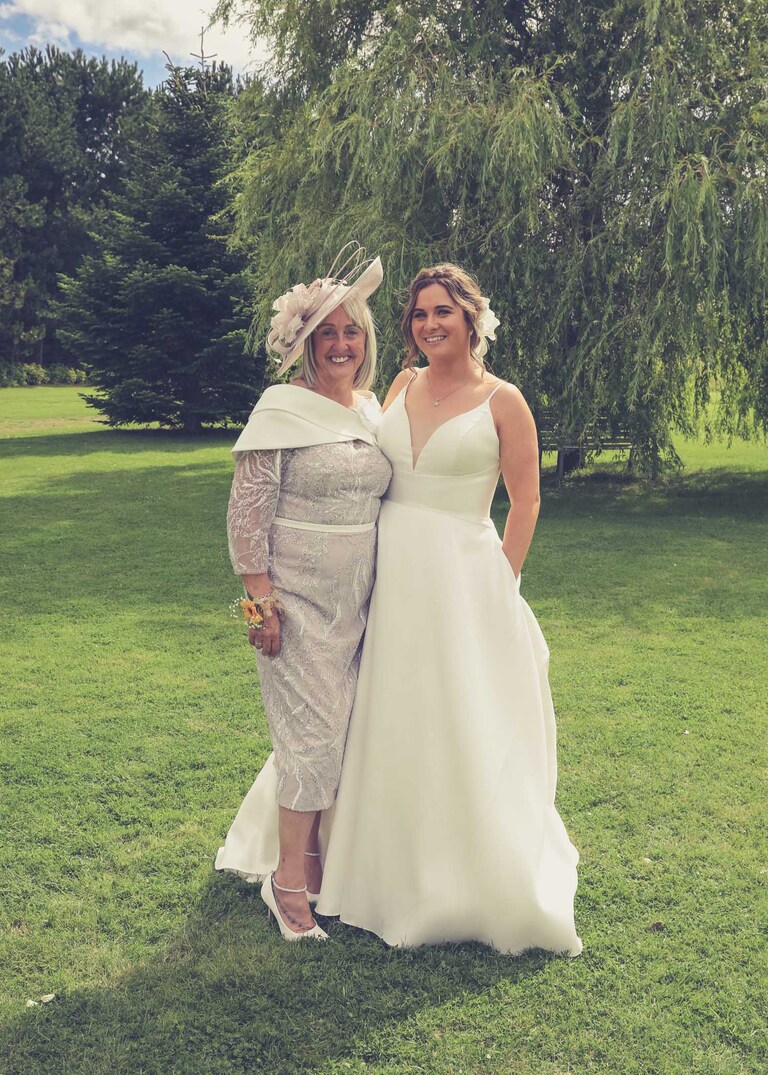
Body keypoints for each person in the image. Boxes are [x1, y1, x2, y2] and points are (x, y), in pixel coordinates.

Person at [316, 264, 582, 956]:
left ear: (471, 318)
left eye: (443, 312)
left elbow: (526, 500)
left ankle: (457, 870)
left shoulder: (505, 401)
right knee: (385, 707)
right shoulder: (401, 384)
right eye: (419, 314)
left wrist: (502, 578)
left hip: (463, 577)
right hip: (391, 568)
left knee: (455, 712)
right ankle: (368, 854)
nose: (430, 324)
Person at [215, 244, 392, 941]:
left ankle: (313, 862)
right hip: (294, 600)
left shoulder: (375, 411)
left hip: (360, 606)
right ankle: (287, 883)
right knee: (312, 740)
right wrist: (259, 606)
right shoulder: (281, 410)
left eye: (352, 332)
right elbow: (246, 513)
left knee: (340, 736)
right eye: (328, 334)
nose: (342, 344)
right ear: (309, 345)